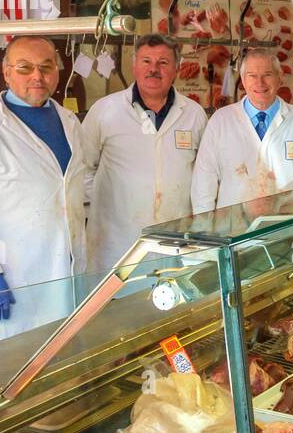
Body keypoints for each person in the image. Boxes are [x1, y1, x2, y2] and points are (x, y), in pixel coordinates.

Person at [0, 37, 86, 344]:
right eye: (25, 68)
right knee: (18, 368)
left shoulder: (70, 122)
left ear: (57, 73)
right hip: (13, 276)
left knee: (70, 361)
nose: (37, 76)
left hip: (70, 270)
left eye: (46, 67)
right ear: (7, 73)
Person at [81, 33, 208, 273]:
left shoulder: (194, 114)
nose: (154, 69)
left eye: (163, 62)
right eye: (146, 61)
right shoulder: (105, 110)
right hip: (116, 238)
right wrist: (106, 201)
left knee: (173, 304)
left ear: (176, 68)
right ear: (134, 66)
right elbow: (83, 166)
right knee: (119, 305)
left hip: (176, 237)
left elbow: (203, 173)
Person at [191, 47, 293, 213]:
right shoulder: (220, 121)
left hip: (288, 226)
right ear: (243, 80)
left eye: (267, 74)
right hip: (234, 229)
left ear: (280, 78)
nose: (260, 83)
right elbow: (203, 183)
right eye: (252, 75)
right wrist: (205, 228)